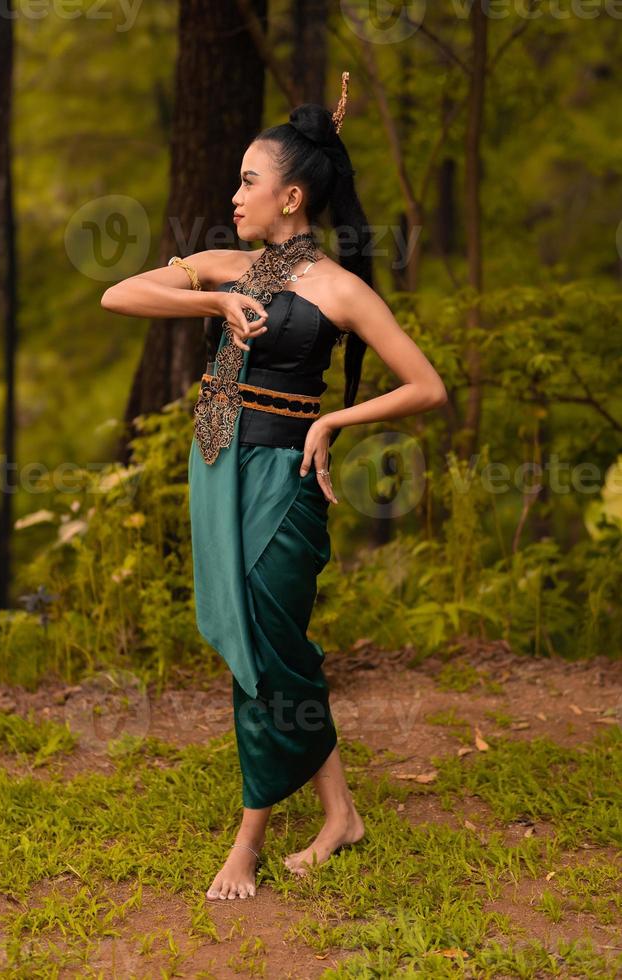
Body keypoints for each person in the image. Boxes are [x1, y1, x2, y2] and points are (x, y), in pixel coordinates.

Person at [101, 73, 447, 902]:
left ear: (291, 196)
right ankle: (342, 816)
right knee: (265, 644)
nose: (235, 191)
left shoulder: (339, 289)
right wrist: (215, 301)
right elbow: (119, 293)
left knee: (268, 645)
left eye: (250, 179)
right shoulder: (226, 266)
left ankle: (248, 839)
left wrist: (334, 422)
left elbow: (427, 386)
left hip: (286, 478)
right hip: (217, 464)